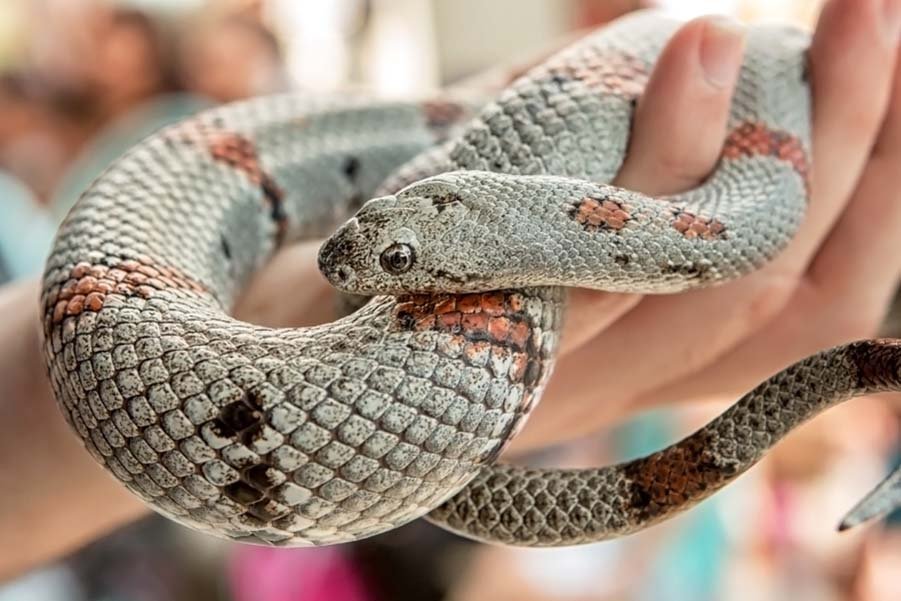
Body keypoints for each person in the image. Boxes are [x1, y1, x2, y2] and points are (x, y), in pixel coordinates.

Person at [2, 0, 900, 582]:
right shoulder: (538, 155)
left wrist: (413, 444)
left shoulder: (713, 198)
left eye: (396, 267)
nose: (348, 270)